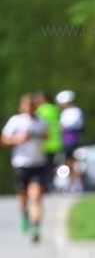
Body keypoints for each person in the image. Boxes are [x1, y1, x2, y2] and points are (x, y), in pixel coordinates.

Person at [1, 93, 48, 242]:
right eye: (26, 105)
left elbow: (46, 136)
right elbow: (4, 139)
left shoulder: (41, 121)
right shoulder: (15, 121)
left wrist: (38, 135)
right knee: (23, 194)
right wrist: (18, 139)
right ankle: (23, 214)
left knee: (36, 195)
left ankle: (35, 226)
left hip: (38, 163)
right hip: (21, 163)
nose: (29, 108)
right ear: (21, 107)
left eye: (32, 105)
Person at [55, 90, 85, 193]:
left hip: (72, 140)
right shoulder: (66, 112)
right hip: (67, 140)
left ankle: (77, 184)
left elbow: (66, 125)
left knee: (74, 162)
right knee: (68, 162)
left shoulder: (74, 111)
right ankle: (71, 183)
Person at [34, 91, 62, 191]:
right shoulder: (54, 109)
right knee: (53, 165)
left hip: (45, 142)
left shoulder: (40, 110)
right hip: (56, 141)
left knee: (43, 166)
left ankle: (45, 185)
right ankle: (51, 184)